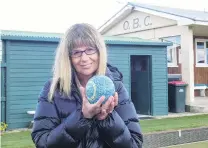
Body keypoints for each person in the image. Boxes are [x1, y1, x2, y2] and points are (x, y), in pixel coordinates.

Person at [31, 23, 143, 148]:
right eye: (76, 52)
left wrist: (107, 119)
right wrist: (82, 117)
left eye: (90, 50)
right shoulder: (53, 89)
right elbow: (42, 142)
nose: (84, 58)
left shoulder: (117, 88)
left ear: (99, 51)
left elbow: (135, 144)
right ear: (68, 57)